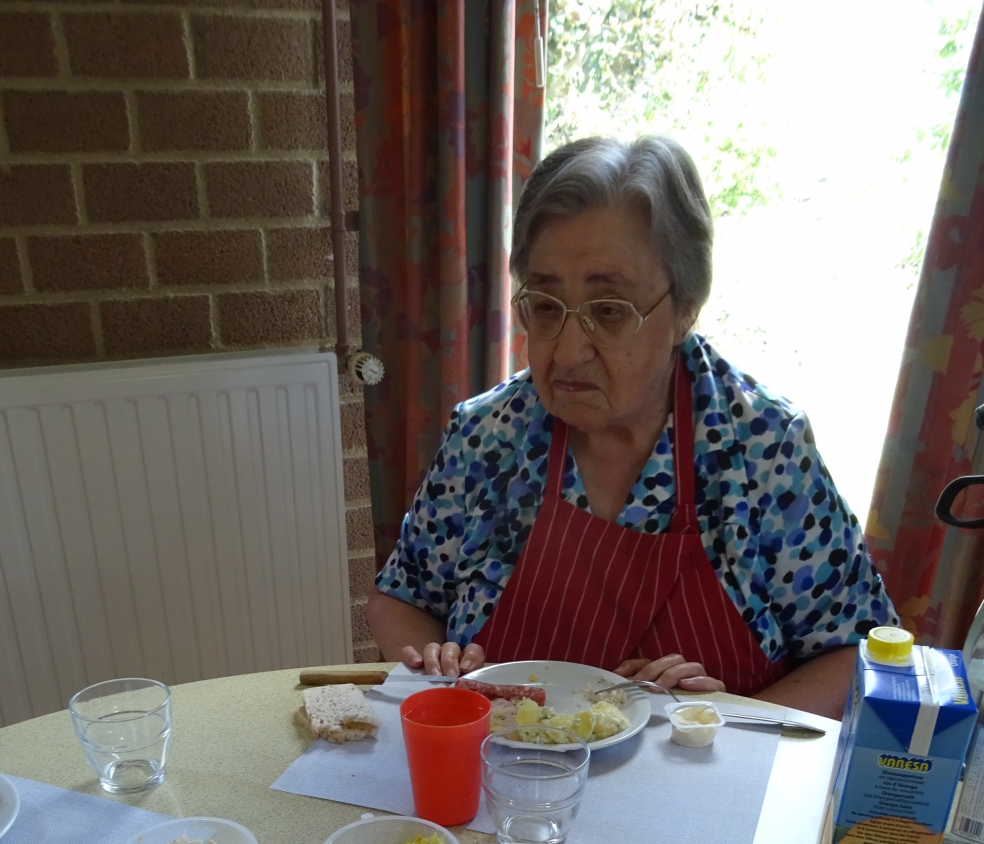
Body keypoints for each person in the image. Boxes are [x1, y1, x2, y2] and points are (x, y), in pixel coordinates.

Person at [366, 136, 897, 719]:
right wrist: (433, 672)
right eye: (545, 306)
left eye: (609, 311)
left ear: (685, 309)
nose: (568, 352)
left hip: (707, 773)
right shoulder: (485, 437)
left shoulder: (763, 450)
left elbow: (860, 653)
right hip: (500, 769)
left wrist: (725, 724)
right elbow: (402, 597)